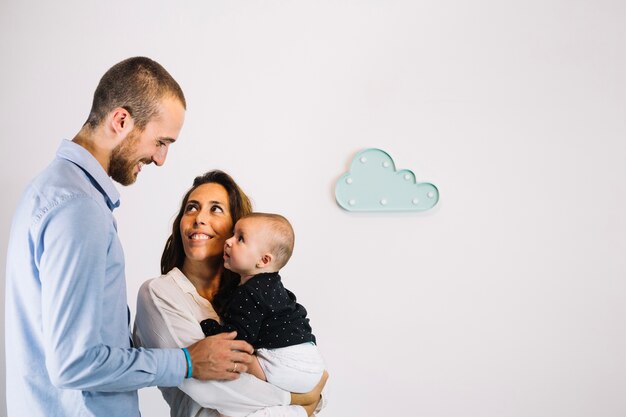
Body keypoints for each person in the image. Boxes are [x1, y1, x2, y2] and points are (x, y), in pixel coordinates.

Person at [5, 57, 256, 417]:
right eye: (160, 141)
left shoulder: (54, 193)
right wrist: (186, 362)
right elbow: (74, 363)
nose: (161, 158)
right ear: (121, 121)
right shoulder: (78, 209)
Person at [133, 170, 327, 417]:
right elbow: (210, 388)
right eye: (191, 208)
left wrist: (310, 393)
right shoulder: (159, 294)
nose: (199, 218)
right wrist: (301, 400)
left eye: (215, 209)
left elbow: (310, 369)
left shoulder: (256, 291)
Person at [201, 212, 325, 395]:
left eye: (240, 238)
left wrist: (210, 327)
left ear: (264, 260)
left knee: (246, 360)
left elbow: (237, 339)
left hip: (286, 363)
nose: (228, 241)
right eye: (232, 234)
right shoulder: (273, 284)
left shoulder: (250, 291)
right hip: (312, 362)